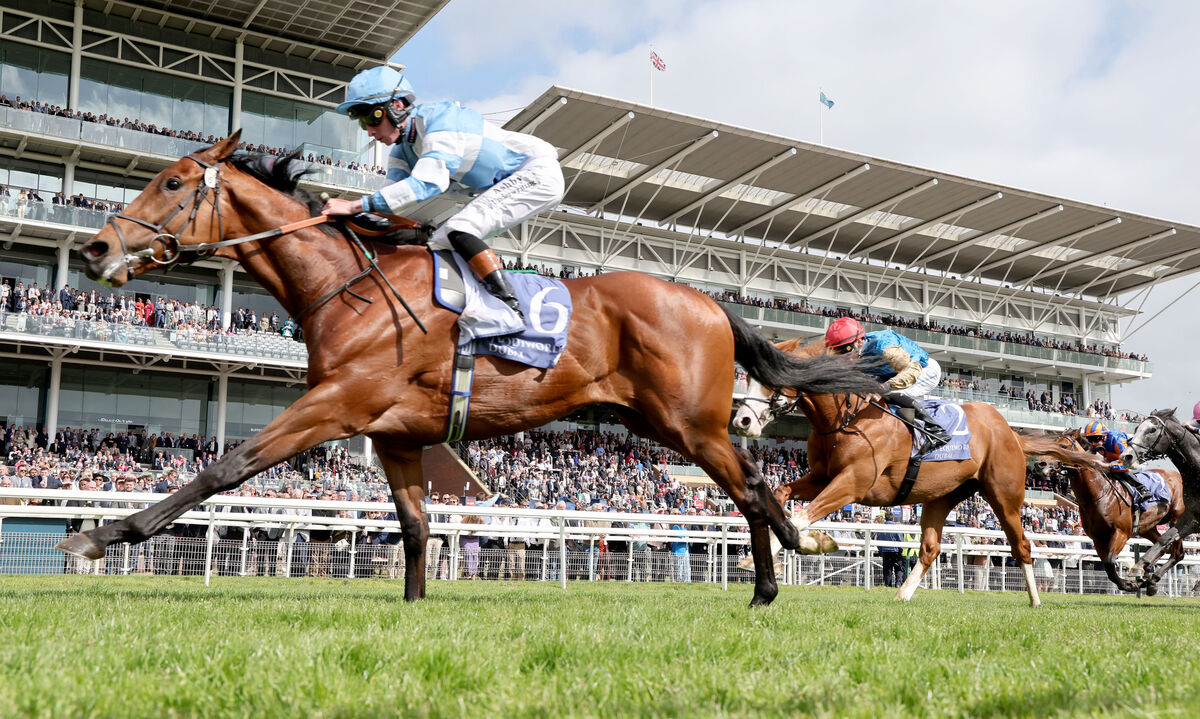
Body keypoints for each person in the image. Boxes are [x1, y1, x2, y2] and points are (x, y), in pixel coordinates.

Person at [321, 66, 565, 322]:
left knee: (459, 229)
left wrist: (352, 207)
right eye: (362, 123)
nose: (369, 131)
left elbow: (428, 183)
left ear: (396, 106)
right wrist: (345, 225)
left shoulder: (441, 120)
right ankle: (467, 308)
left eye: (372, 119)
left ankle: (510, 309)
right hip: (505, 184)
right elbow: (388, 205)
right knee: (437, 243)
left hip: (535, 172)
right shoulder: (400, 152)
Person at [824, 316, 951, 449]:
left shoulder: (883, 346)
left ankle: (935, 429)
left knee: (889, 392)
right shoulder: (856, 354)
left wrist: (883, 388)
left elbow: (912, 370)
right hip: (890, 373)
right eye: (837, 353)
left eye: (846, 350)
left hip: (923, 370)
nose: (843, 358)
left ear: (859, 341)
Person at [1079, 420, 1150, 505]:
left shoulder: (1116, 440)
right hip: (1114, 460)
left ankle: (1142, 489)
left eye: (1095, 439)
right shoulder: (1096, 443)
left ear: (1103, 436)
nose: (1093, 443)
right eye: (1090, 439)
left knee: (1120, 472)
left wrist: (1106, 465)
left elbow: (1126, 465)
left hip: (1130, 462)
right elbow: (1089, 456)